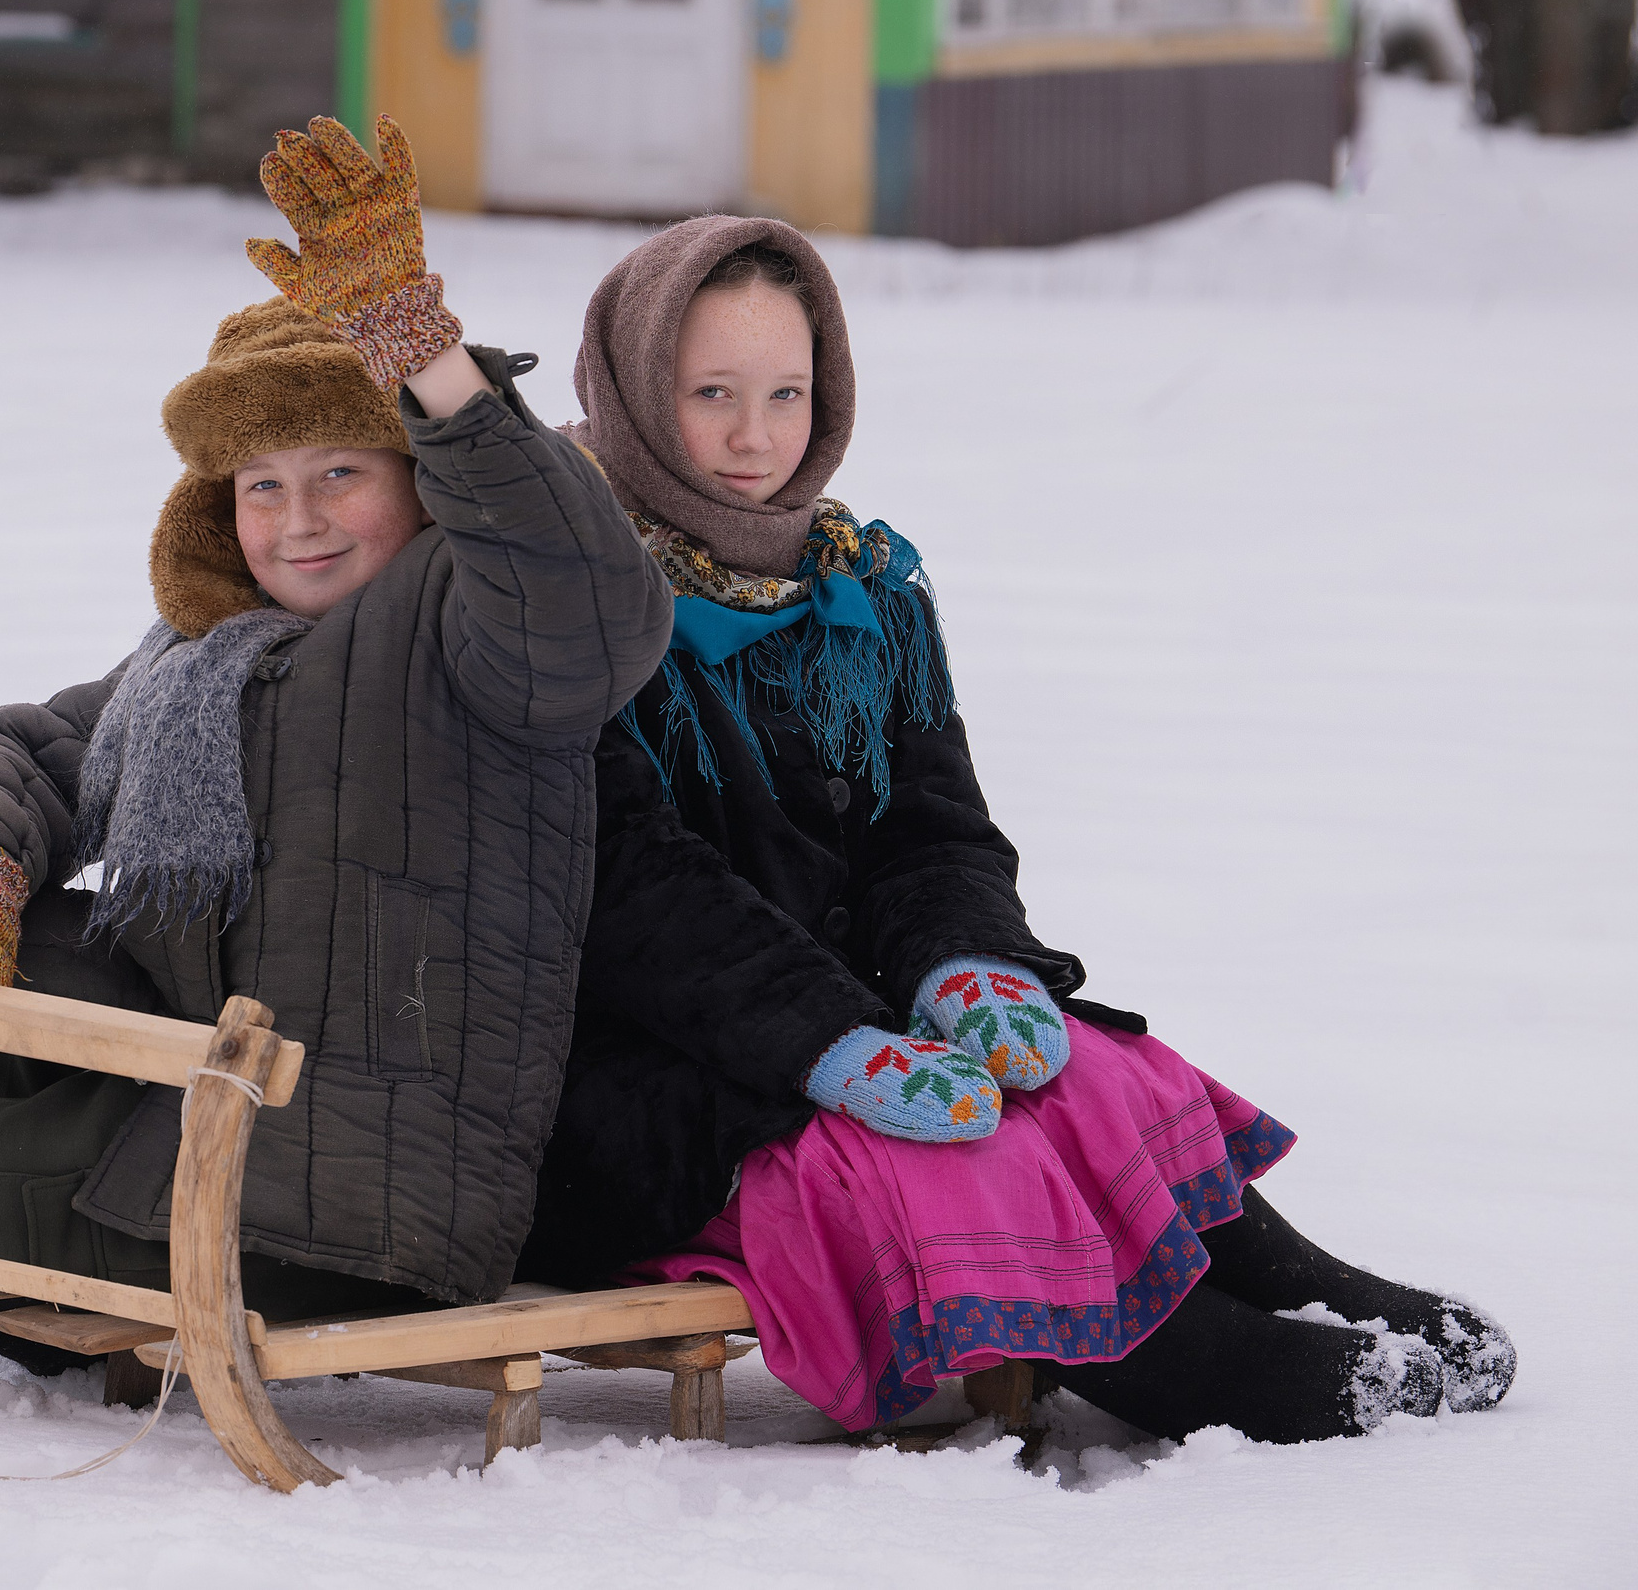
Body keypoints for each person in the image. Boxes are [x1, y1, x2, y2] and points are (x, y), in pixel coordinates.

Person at [0, 118, 672, 1381]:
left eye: (340, 469)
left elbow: (592, 599)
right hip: (206, 1079)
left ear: (419, 476)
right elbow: (25, 748)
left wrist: (420, 349)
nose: (299, 518)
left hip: (344, 1190)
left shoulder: (474, 640)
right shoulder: (210, 659)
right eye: (259, 485)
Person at [515, 215, 1515, 1445]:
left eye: (786, 392)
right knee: (944, 1150)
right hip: (640, 1081)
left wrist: (965, 967)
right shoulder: (570, 599)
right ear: (629, 388)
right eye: (710, 393)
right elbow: (630, 896)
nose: (753, 437)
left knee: (1088, 1071)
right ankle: (1209, 1369)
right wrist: (833, 1043)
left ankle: (1284, 1286)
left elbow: (931, 835)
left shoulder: (858, 590)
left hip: (828, 1017)